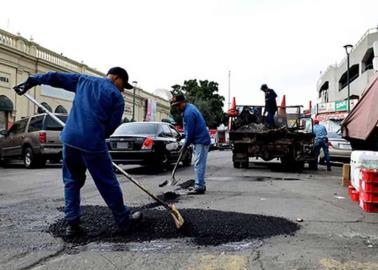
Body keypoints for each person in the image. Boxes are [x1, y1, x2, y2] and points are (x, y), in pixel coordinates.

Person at [14, 67, 142, 236]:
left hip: (70, 140)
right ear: (116, 77)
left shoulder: (84, 81)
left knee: (72, 180)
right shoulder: (116, 97)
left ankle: (72, 224)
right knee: (107, 182)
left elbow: (56, 77)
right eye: (123, 85)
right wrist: (95, 137)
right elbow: (111, 127)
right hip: (92, 142)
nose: (122, 89)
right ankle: (124, 221)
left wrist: (32, 80)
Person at [171, 94, 211, 194]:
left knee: (198, 164)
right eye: (176, 105)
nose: (177, 107)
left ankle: (199, 187)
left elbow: (191, 132)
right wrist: (185, 141)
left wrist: (185, 145)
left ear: (183, 102)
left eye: (178, 105)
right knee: (199, 163)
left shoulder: (189, 113)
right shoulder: (189, 109)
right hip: (199, 140)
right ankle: (201, 183)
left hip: (201, 140)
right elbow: (188, 131)